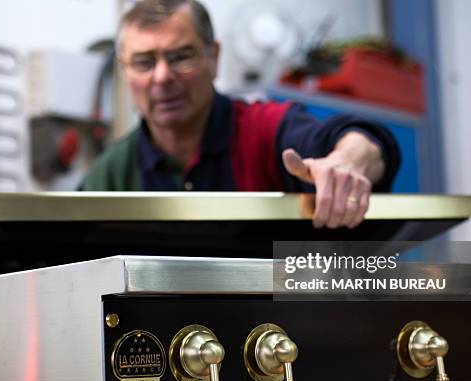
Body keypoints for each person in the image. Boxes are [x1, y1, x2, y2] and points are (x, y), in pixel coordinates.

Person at [81, 0, 401, 229]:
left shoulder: (265, 129)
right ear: (124, 72)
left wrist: (347, 162)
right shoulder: (112, 174)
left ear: (214, 57)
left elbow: (362, 138)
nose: (162, 77)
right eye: (143, 62)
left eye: (181, 56)